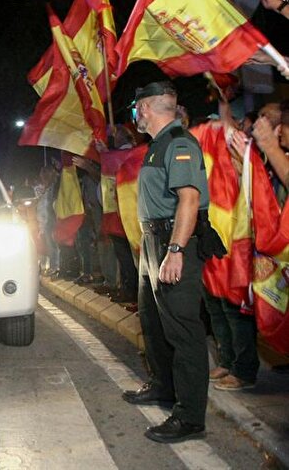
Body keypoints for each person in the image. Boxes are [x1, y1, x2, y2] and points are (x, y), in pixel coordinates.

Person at [121, 81, 210, 444]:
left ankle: (189, 417)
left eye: (136, 109)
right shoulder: (158, 146)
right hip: (154, 241)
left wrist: (174, 251)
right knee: (154, 321)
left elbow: (189, 200)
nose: (134, 115)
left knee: (183, 330)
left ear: (145, 108)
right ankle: (164, 386)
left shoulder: (179, 143)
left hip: (174, 243)